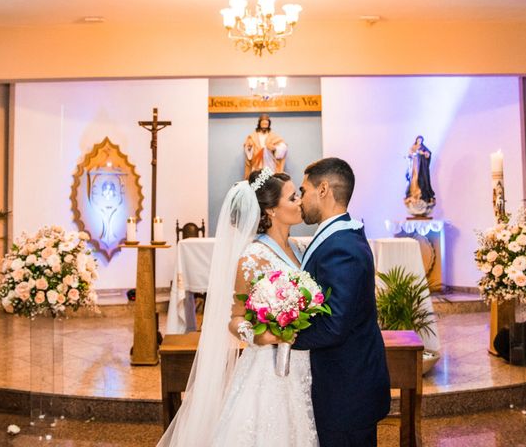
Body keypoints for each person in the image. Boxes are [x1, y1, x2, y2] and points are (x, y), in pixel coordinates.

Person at [157, 167, 318, 447]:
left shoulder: (301, 249)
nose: (300, 202)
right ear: (271, 211)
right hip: (268, 369)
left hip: (305, 363)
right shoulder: (252, 257)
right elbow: (235, 318)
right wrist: (260, 336)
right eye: (293, 198)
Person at [294, 157, 391, 447]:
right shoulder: (340, 235)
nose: (300, 200)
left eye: (303, 191)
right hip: (345, 383)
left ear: (323, 189)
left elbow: (335, 325)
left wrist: (283, 338)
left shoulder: (342, 247)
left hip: (347, 390)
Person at [244, 113, 288, 179]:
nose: (264, 126)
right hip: (257, 163)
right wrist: (249, 147)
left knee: (269, 181)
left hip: (269, 164)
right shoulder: (253, 136)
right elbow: (248, 149)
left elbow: (284, 147)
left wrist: (275, 148)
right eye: (263, 124)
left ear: (268, 125)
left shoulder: (273, 136)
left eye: (266, 124)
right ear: (259, 124)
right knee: (257, 180)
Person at [404, 135, 436, 216]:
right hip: (414, 167)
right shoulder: (413, 147)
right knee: (413, 180)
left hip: (421, 168)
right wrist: (412, 155)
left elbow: (428, 154)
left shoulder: (423, 147)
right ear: (416, 140)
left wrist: (424, 153)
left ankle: (421, 195)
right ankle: (414, 195)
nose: (420, 141)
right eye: (419, 140)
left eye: (421, 140)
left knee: (422, 180)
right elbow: (409, 155)